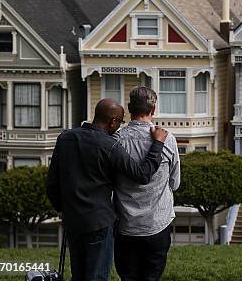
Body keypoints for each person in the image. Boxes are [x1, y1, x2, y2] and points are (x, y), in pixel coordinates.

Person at [46, 98, 168, 281]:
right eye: (119, 123)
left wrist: (65, 209)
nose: (118, 127)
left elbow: (52, 184)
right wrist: (157, 143)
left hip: (72, 222)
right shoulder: (109, 145)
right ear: (112, 121)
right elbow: (142, 175)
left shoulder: (65, 138)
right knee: (96, 276)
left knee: (78, 275)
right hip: (99, 223)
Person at [113, 87, 181, 281]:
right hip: (157, 225)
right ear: (154, 109)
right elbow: (175, 183)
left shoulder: (116, 141)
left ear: (129, 109)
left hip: (126, 225)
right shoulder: (168, 140)